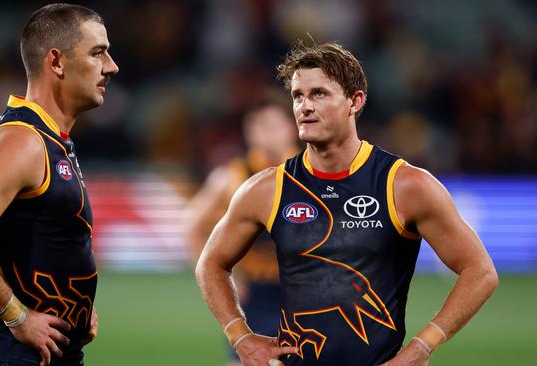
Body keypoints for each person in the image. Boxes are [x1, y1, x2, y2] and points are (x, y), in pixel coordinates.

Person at [195, 42, 498, 366]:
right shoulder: (267, 188)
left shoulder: (405, 185)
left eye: (319, 94)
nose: (305, 106)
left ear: (356, 101)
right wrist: (239, 335)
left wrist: (421, 348)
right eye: (298, 96)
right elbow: (210, 264)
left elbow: (480, 272)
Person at [0, 4, 118, 366]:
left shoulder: (51, 139)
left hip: (51, 351)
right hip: (13, 354)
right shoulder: (22, 140)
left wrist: (76, 310)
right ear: (57, 62)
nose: (111, 66)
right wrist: (17, 315)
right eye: (98, 53)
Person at [186, 90, 299, 365]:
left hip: (303, 296)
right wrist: (222, 278)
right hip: (254, 298)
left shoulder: (315, 172)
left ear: (293, 127)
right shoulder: (231, 177)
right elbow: (192, 226)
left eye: (273, 124)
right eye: (257, 125)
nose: (265, 133)